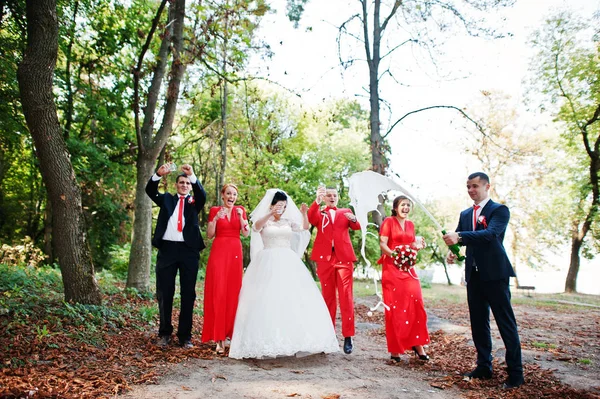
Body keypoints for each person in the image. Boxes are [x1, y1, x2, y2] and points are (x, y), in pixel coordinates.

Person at [229, 189, 339, 359]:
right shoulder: (265, 221)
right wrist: (270, 214)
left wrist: (303, 214)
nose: (281, 208)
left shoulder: (288, 221)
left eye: (284, 206)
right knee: (267, 299)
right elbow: (256, 228)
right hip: (267, 261)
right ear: (272, 205)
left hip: (288, 260)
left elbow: (304, 228)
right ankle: (265, 341)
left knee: (292, 298)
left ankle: (293, 340)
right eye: (278, 205)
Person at [443, 172, 524, 389]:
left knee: (506, 323)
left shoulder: (499, 210)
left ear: (487, 186)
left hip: (496, 275)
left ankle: (516, 373)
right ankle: (484, 367)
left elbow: (490, 234)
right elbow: (461, 239)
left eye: (475, 186)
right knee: (478, 323)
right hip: (474, 276)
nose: (471, 190)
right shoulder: (465, 213)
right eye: (468, 186)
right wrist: (454, 251)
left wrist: (460, 237)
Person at [145, 163, 206, 348]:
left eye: (187, 183)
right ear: (176, 185)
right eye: (181, 182)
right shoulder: (166, 200)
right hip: (168, 251)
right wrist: (158, 174)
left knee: (188, 294)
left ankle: (184, 336)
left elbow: (202, 195)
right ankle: (164, 334)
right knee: (165, 292)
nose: (184, 185)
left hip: (189, 251)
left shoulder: (195, 202)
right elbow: (149, 190)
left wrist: (193, 175)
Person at [308, 186, 361, 354]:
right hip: (325, 260)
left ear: (338, 197)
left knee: (346, 297)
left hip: (343, 258)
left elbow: (357, 227)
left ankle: (348, 336)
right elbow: (311, 218)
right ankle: (328, 335)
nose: (332, 197)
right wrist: (316, 200)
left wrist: (353, 219)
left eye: (334, 195)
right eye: (328, 195)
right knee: (328, 298)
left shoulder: (345, 211)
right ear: (324, 198)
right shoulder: (320, 212)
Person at [378, 195, 430, 362]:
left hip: (408, 269)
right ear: (395, 207)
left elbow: (411, 245)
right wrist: (395, 255)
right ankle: (395, 350)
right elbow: (383, 244)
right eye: (403, 204)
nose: (406, 207)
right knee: (395, 308)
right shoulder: (388, 222)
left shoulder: (410, 225)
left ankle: (417, 344)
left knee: (416, 304)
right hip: (392, 269)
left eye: (408, 205)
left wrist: (417, 246)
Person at [201, 183, 250, 354]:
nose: (231, 197)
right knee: (219, 292)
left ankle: (232, 335)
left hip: (235, 253)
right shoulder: (215, 210)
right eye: (228, 193)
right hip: (219, 252)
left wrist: (242, 218)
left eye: (234, 194)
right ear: (223, 195)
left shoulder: (240, 210)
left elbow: (246, 233)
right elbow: (209, 234)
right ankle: (219, 339)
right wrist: (215, 219)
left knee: (233, 293)